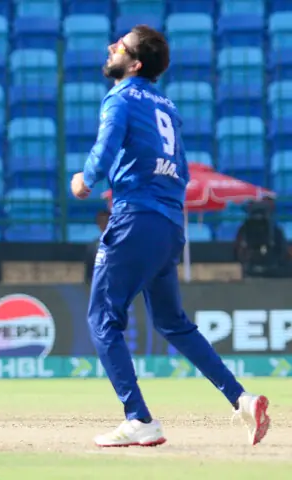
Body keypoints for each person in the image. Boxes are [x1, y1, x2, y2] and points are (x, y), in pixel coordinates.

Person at [70, 26, 270, 447]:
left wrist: (84, 180)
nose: (111, 46)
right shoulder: (168, 106)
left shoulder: (121, 97)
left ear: (135, 64)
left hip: (135, 218)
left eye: (121, 45)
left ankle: (138, 419)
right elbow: (180, 170)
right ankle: (242, 399)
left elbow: (104, 152)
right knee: (171, 322)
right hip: (167, 224)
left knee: (102, 319)